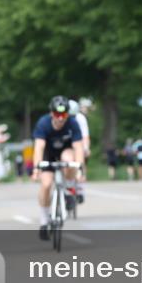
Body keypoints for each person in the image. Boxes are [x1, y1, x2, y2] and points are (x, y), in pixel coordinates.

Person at [32, 96, 84, 239]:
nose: (61, 118)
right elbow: (39, 147)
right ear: (51, 113)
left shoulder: (73, 124)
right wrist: (36, 168)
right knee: (46, 184)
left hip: (65, 153)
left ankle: (68, 189)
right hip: (48, 155)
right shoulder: (43, 123)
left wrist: (80, 168)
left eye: (64, 115)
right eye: (57, 115)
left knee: (69, 159)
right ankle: (44, 220)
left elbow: (78, 148)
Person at [69, 99, 89, 203]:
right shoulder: (63, 118)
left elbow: (85, 135)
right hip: (66, 142)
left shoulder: (80, 118)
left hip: (78, 141)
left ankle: (80, 187)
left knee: (80, 161)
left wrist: (86, 148)